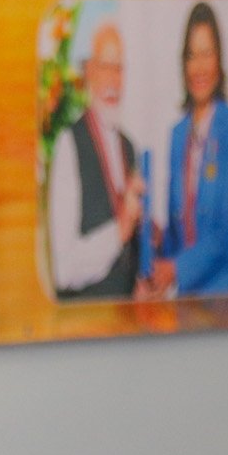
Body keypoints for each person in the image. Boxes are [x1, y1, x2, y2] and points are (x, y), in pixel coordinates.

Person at [48, 20, 144, 300]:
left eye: (119, 69)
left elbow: (127, 254)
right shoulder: (68, 145)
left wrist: (140, 279)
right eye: (105, 67)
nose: (113, 80)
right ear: (89, 71)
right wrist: (119, 231)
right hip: (85, 319)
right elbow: (63, 270)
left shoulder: (130, 147)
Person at [149, 2, 228, 297]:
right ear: (183, 63)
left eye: (207, 53)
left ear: (219, 59)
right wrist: (158, 239)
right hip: (184, 301)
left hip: (222, 297)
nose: (199, 67)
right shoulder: (177, 135)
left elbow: (221, 236)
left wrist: (175, 269)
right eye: (191, 55)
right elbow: (179, 235)